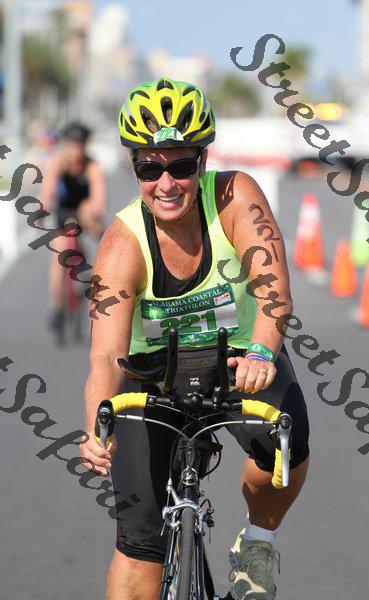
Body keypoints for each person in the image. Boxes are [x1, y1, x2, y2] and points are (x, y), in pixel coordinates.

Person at [81, 78, 310, 600]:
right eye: (150, 169)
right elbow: (105, 356)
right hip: (151, 373)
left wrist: (262, 350)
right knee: (139, 540)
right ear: (135, 170)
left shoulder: (235, 196)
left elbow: (272, 289)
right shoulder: (121, 244)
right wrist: (97, 426)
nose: (166, 183)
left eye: (181, 166)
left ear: (203, 162)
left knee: (286, 445)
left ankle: (257, 545)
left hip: (240, 357)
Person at [40, 121, 106, 330]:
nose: (76, 149)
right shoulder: (57, 162)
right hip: (63, 215)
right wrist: (42, 210)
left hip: (85, 216)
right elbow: (47, 192)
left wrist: (91, 211)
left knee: (103, 249)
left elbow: (99, 200)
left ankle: (96, 290)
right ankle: (57, 306)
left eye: (80, 144)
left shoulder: (92, 166)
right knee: (59, 251)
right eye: (73, 144)